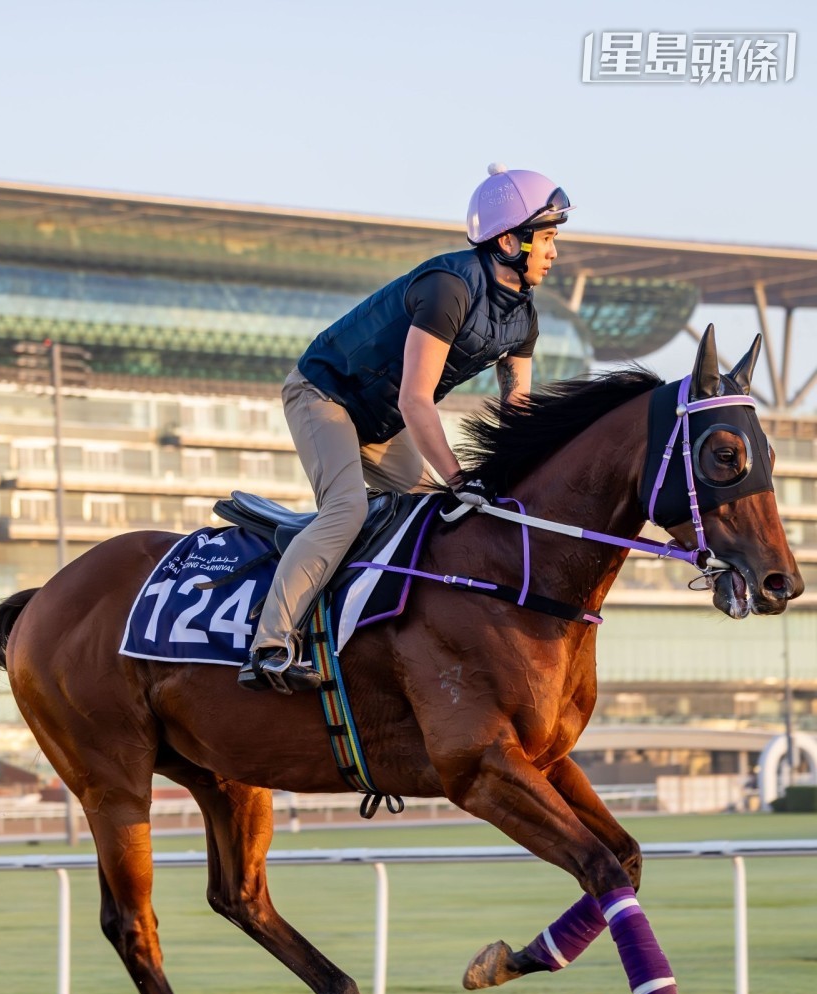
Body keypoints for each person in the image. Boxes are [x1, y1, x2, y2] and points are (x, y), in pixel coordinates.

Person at [238, 164, 572, 693]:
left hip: (379, 422)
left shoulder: (523, 317)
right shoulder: (448, 287)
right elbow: (415, 399)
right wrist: (460, 478)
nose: (554, 253)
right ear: (510, 240)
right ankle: (269, 646)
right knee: (346, 510)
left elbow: (518, 413)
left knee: (432, 515)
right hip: (324, 395)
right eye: (547, 238)